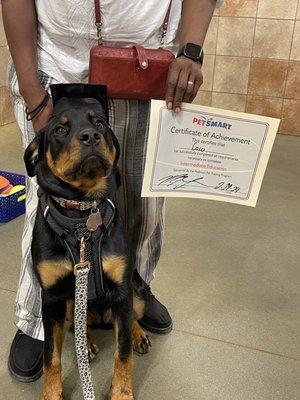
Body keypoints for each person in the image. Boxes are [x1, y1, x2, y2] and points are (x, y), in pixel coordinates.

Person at [2, 0, 223, 383]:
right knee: (48, 206)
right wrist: (31, 87)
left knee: (143, 202)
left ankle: (131, 288)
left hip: (152, 66)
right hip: (57, 64)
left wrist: (190, 48)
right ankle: (37, 317)